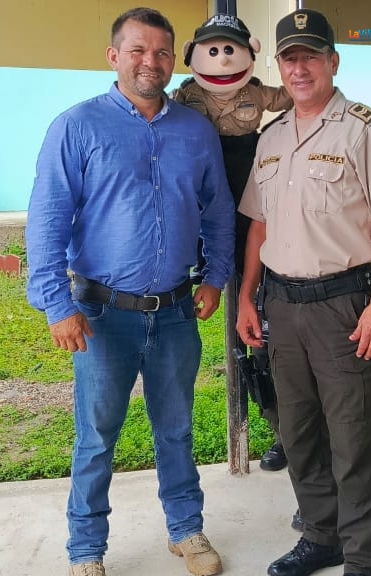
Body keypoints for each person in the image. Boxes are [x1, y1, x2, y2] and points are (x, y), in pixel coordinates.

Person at [25, 7, 235, 576]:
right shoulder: (77, 126)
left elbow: (218, 209)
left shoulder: (195, 130)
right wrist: (57, 304)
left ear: (173, 60)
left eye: (162, 52)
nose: (151, 62)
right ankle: (86, 550)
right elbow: (47, 219)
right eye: (138, 50)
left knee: (177, 429)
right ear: (114, 56)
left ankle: (186, 531)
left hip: (175, 311)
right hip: (101, 314)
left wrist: (216, 277)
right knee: (96, 438)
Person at [237, 8, 371, 576]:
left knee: (352, 437)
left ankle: (364, 560)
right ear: (279, 66)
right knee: (299, 431)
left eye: (311, 55)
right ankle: (322, 536)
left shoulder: (363, 129)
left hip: (343, 306)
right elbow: (258, 226)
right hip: (281, 306)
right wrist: (247, 297)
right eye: (290, 58)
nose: (300, 68)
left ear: (333, 61)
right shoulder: (271, 137)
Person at [171, 12, 294, 476]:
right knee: (169, 342)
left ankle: (286, 432)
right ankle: (171, 447)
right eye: (213, 50)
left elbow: (294, 97)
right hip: (189, 238)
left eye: (231, 49)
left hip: (253, 235)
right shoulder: (178, 102)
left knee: (262, 336)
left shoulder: (266, 120)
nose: (222, 60)